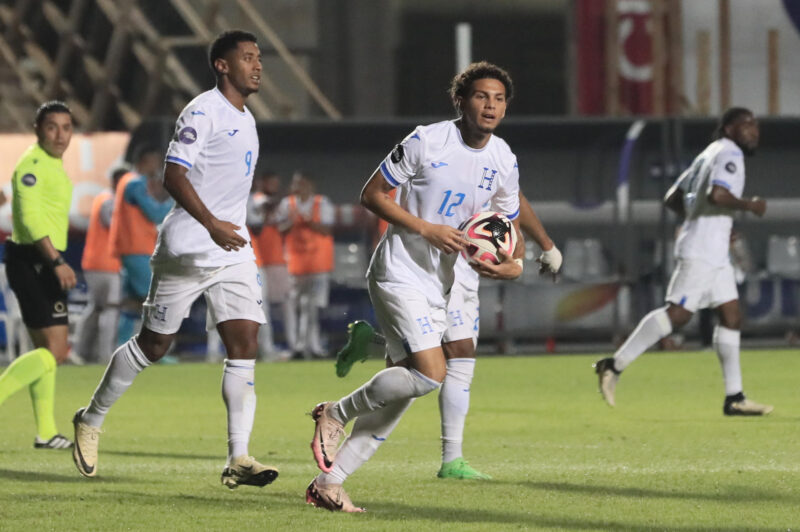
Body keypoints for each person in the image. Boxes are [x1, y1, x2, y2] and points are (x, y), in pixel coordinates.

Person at [305, 61, 536, 512]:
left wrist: (516, 264)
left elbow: (508, 225)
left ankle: (328, 483)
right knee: (432, 373)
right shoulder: (426, 140)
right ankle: (335, 412)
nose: (490, 106)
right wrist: (426, 228)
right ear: (460, 101)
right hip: (400, 272)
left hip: (440, 285)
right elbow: (372, 194)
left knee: (400, 394)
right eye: (481, 96)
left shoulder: (503, 158)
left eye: (499, 99)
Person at [72, 30, 279, 490]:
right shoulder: (202, 111)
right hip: (189, 247)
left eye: (259, 58)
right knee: (154, 345)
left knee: (244, 343)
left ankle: (238, 457)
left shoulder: (247, 118)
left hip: (233, 250)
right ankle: (90, 418)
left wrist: (227, 228)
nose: (257, 65)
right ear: (222, 65)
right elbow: (173, 174)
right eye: (247, 57)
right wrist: (210, 223)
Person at [335, 191, 562, 480]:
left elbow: (513, 201)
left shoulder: (498, 167)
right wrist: (545, 245)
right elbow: (377, 197)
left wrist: (538, 249)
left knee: (424, 363)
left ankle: (374, 343)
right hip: (438, 268)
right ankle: (450, 458)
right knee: (449, 358)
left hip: (469, 268)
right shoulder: (436, 171)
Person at [594, 107, 773, 416]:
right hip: (703, 250)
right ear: (728, 129)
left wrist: (703, 220)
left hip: (713, 249)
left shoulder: (709, 152)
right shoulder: (730, 153)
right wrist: (750, 205)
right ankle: (613, 365)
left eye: (755, 125)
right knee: (677, 315)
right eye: (746, 125)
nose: (754, 131)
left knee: (731, 316)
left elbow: (672, 198)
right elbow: (718, 195)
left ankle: (735, 397)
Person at [0, 101, 76, 449]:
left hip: (42, 260)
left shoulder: (52, 164)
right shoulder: (32, 165)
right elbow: (30, 220)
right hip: (33, 260)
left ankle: (46, 432)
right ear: (37, 129)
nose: (60, 135)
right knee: (55, 351)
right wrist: (56, 261)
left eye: (66, 127)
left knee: (48, 352)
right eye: (52, 127)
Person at [109, 146, 174, 346]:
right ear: (145, 162)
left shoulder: (128, 182)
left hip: (130, 249)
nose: (158, 167)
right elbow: (155, 214)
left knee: (133, 303)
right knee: (155, 299)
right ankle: (154, 348)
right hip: (137, 249)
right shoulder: (135, 183)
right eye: (156, 162)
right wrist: (177, 198)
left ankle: (122, 345)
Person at [276, 171, 335, 359]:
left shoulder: (322, 203)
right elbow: (279, 229)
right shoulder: (287, 204)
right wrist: (292, 222)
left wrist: (309, 222)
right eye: (295, 184)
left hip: (318, 263)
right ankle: (298, 346)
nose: (297, 187)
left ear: (310, 185)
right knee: (295, 307)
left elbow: (327, 229)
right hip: (295, 263)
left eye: (300, 183)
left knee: (313, 307)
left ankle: (312, 346)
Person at [73, 167, 128, 363]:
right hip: (107, 264)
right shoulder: (110, 201)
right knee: (110, 309)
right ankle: (105, 355)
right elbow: (114, 226)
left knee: (95, 308)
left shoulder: (102, 198)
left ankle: (80, 351)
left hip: (95, 263)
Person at [247, 171, 291, 361]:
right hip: (247, 259)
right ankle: (217, 351)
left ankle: (265, 349)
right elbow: (257, 225)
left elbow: (258, 224)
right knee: (254, 307)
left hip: (254, 259)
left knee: (259, 306)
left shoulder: (249, 199)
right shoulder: (248, 199)